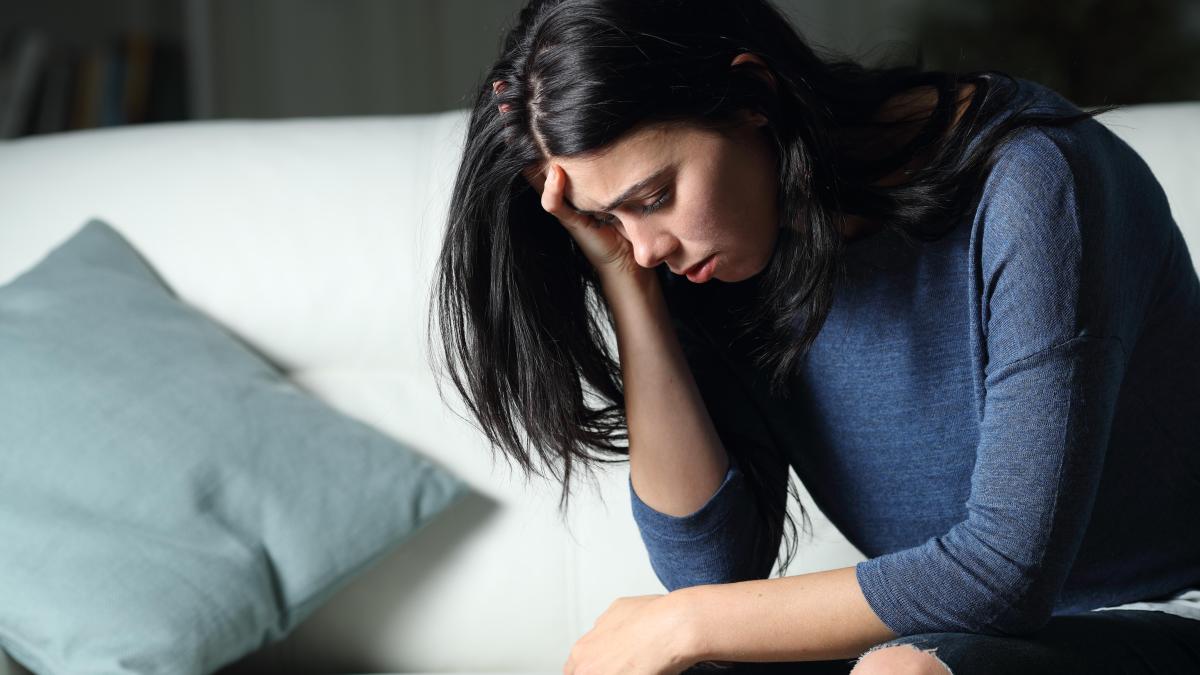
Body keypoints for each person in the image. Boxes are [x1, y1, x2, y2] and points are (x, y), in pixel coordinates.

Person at [428, 0, 1200, 673]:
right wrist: (627, 286)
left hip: (1164, 616)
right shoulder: (716, 256)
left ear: (754, 96)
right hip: (953, 644)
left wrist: (682, 622)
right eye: (608, 218)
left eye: (655, 196)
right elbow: (710, 568)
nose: (647, 245)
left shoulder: (1035, 181)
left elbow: (1006, 572)